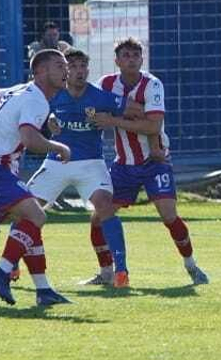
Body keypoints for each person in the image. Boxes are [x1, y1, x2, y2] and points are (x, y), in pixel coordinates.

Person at [88, 37, 208, 285]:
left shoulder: (152, 84)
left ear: (142, 59)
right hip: (124, 164)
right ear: (117, 61)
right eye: (126, 55)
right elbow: (91, 109)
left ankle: (192, 265)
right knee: (98, 217)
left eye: (136, 55)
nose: (131, 60)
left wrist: (114, 120)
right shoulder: (106, 84)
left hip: (155, 160)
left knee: (169, 215)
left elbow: (153, 126)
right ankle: (106, 273)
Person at [0, 49, 74, 308]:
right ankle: (1, 272)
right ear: (40, 71)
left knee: (29, 223)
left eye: (66, 66)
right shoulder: (36, 99)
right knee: (37, 217)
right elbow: (29, 138)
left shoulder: (19, 90)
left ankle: (43, 289)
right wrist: (59, 147)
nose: (66, 71)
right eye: (59, 66)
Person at [26, 49, 132, 288]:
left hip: (91, 163)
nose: (79, 71)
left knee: (105, 206)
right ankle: (10, 267)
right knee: (25, 209)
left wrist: (112, 120)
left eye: (83, 66)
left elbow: (135, 110)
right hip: (56, 161)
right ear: (64, 70)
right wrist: (48, 120)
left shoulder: (100, 97)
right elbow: (30, 114)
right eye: (73, 66)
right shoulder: (53, 94)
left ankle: (120, 271)